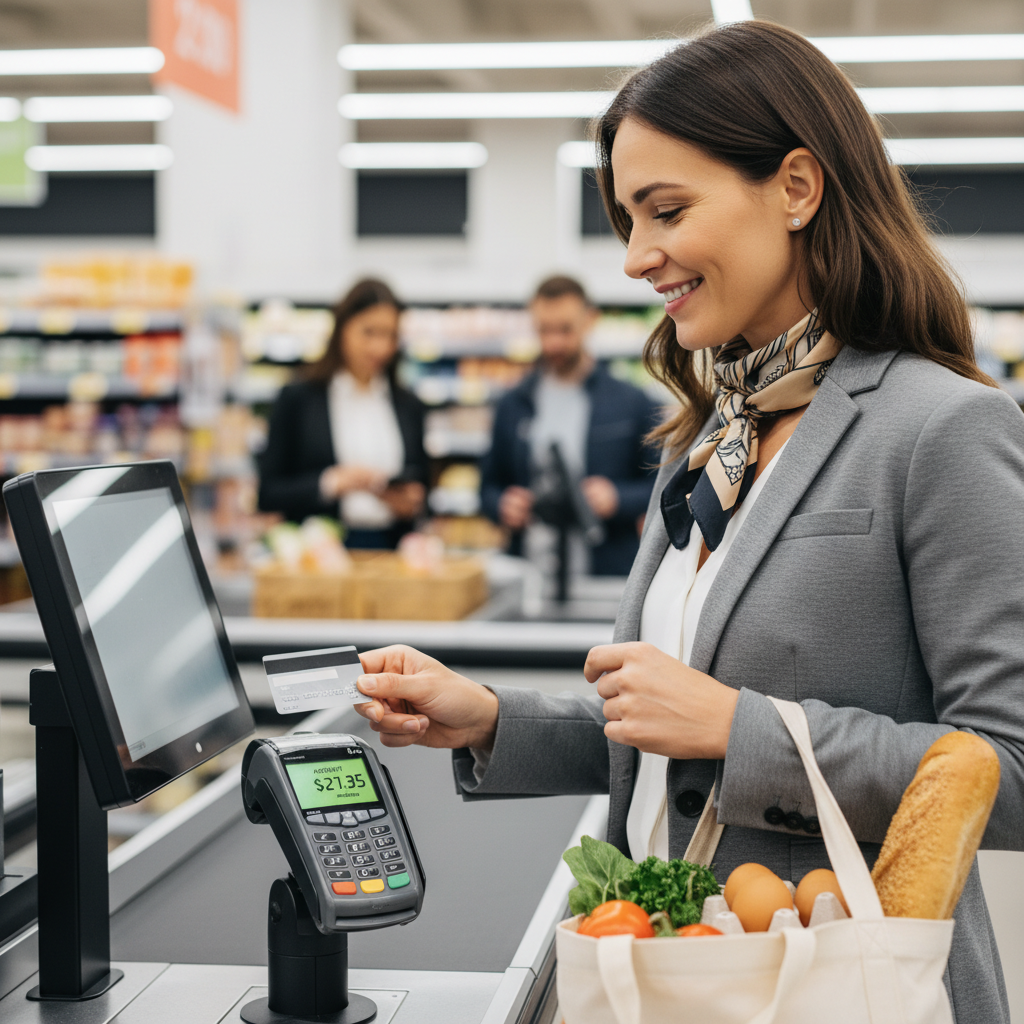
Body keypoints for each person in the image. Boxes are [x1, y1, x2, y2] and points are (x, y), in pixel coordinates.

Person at [349, 21, 1024, 1023]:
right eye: (626, 218)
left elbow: (1007, 770)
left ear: (796, 187)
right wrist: (491, 716)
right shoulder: (711, 439)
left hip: (837, 988)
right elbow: (667, 729)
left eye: (664, 210)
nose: (635, 257)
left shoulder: (940, 428)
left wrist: (741, 729)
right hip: (673, 977)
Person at [479, 275, 661, 577]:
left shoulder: (632, 402)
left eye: (565, 329)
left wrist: (617, 498)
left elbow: (661, 487)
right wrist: (503, 504)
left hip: (607, 571)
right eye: (544, 330)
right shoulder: (512, 403)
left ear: (589, 321)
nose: (554, 342)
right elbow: (486, 487)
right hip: (529, 574)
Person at [258, 278, 428, 549]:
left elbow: (423, 486)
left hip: (391, 556)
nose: (381, 347)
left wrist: (410, 502)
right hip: (319, 556)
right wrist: (332, 482)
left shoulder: (408, 405)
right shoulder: (299, 398)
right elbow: (267, 494)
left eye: (391, 335)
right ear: (342, 328)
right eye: (369, 332)